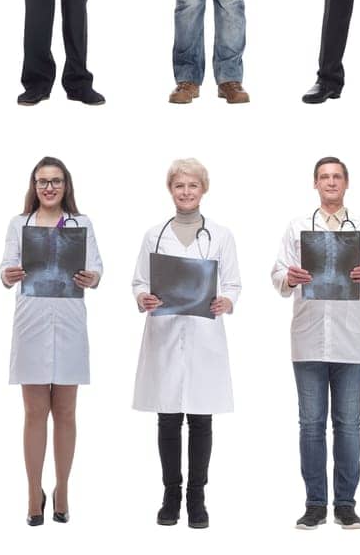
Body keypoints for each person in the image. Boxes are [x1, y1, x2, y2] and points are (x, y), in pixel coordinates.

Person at [271, 156, 360, 530]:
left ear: (346, 183)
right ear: (315, 184)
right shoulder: (297, 228)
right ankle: (314, 504)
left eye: (336, 176)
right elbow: (277, 273)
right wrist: (290, 277)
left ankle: (345, 504)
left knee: (348, 425)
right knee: (310, 425)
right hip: (308, 340)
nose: (330, 182)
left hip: (350, 341)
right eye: (324, 177)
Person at [130, 158, 240, 529]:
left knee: (201, 418)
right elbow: (139, 281)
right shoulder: (154, 235)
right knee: (167, 417)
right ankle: (170, 494)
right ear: (170, 190)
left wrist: (227, 301)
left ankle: (197, 497)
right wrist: (143, 297)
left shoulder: (221, 235)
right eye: (180, 186)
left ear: (203, 190)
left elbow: (234, 283)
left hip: (204, 336)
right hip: (164, 333)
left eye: (193, 186)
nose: (186, 192)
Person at [0, 156, 102, 526]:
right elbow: (5, 265)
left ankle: (62, 489)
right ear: (34, 185)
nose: (49, 187)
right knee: (32, 412)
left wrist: (92, 277)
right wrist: (7, 273)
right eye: (42, 181)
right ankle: (32, 492)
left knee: (66, 412)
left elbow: (96, 266)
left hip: (70, 322)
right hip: (31, 321)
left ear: (66, 186)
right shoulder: (19, 224)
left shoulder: (81, 224)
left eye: (56, 181)